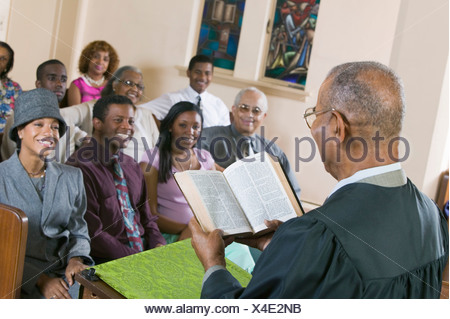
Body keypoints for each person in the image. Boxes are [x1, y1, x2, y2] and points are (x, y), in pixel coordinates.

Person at [189, 61, 449, 298]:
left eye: (315, 114)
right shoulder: (432, 216)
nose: (312, 128)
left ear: (336, 126)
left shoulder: (318, 237)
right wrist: (285, 251)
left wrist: (214, 264)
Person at [140, 101, 255, 272]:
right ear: (171, 126)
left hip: (206, 232)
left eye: (196, 126)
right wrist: (190, 228)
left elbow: (226, 184)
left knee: (241, 253)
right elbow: (150, 214)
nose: (190, 132)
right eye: (183, 125)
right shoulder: (152, 159)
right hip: (174, 235)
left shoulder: (205, 158)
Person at [0, 88, 93, 299]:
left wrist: (77, 259)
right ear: (20, 131)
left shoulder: (72, 177)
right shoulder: (2, 178)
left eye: (54, 126)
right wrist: (40, 280)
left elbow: (79, 231)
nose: (49, 132)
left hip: (64, 277)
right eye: (38, 124)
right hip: (12, 279)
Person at [66, 95, 166, 264]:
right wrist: (135, 260)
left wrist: (158, 245)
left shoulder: (132, 166)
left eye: (131, 121)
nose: (127, 127)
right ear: (97, 123)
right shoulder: (79, 168)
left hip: (141, 255)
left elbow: (147, 218)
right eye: (118, 120)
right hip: (104, 261)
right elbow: (92, 234)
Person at [199, 87, 301, 200]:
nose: (250, 115)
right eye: (244, 108)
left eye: (256, 111)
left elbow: (293, 192)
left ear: (264, 116)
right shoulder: (207, 138)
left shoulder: (274, 151)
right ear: (234, 110)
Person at [58, 65, 159, 163]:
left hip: (140, 174)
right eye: (128, 83)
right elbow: (61, 115)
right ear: (115, 85)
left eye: (139, 86)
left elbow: (159, 149)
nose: (135, 89)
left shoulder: (146, 114)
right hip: (106, 168)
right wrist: (82, 137)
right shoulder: (95, 106)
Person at [1, 59, 68, 160]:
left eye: (63, 80)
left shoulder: (66, 116)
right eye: (52, 78)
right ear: (39, 84)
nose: (59, 84)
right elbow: (15, 160)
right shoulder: (20, 116)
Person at [141, 54, 230, 128]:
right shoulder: (173, 99)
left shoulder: (219, 105)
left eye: (207, 73)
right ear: (188, 73)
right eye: (198, 72)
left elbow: (225, 135)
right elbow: (142, 110)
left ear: (212, 76)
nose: (202, 77)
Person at [66, 40, 119, 106]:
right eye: (96, 57)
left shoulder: (112, 86)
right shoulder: (77, 84)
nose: (100, 62)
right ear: (87, 59)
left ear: (110, 64)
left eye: (105, 59)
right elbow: (75, 114)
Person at [0, 41, 22, 133]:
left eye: (3, 59)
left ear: (7, 65)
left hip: (5, 141)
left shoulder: (14, 88)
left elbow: (20, 119)